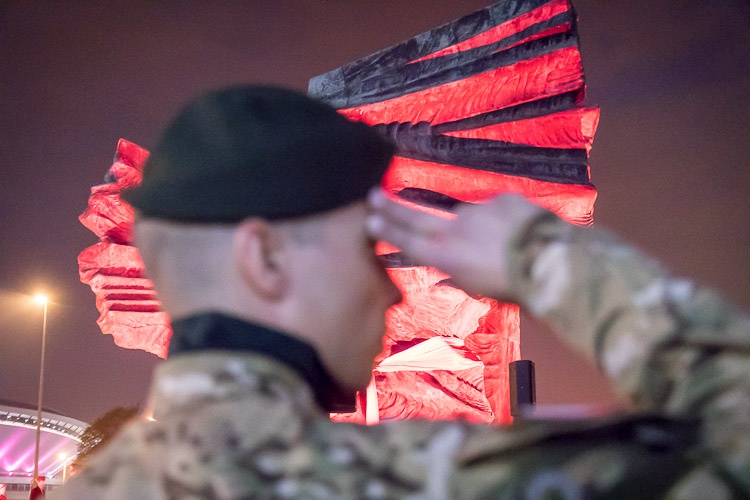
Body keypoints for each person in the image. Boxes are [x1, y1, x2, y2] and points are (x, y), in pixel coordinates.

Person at [56, 85, 749, 499]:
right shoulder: (420, 480)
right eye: (365, 249)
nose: (389, 295)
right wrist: (541, 257)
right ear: (263, 257)